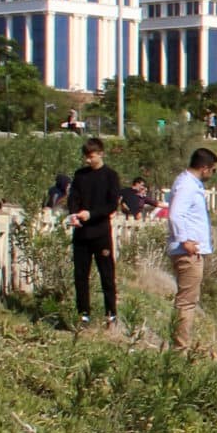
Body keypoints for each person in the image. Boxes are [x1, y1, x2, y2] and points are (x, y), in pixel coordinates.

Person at [66, 138, 124, 328]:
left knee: (106, 275)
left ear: (101, 154)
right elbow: (73, 198)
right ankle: (83, 314)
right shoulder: (80, 175)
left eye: (91, 156)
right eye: (86, 157)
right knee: (80, 276)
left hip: (100, 233)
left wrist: (91, 214)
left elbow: (111, 204)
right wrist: (73, 214)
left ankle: (111, 314)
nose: (88, 160)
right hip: (81, 233)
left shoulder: (110, 176)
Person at [167, 147, 217, 349]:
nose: (212, 174)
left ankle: (180, 346)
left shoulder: (189, 183)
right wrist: (185, 240)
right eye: (213, 170)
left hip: (189, 251)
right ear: (204, 168)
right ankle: (180, 348)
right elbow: (175, 214)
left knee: (187, 301)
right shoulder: (187, 185)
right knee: (186, 302)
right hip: (188, 252)